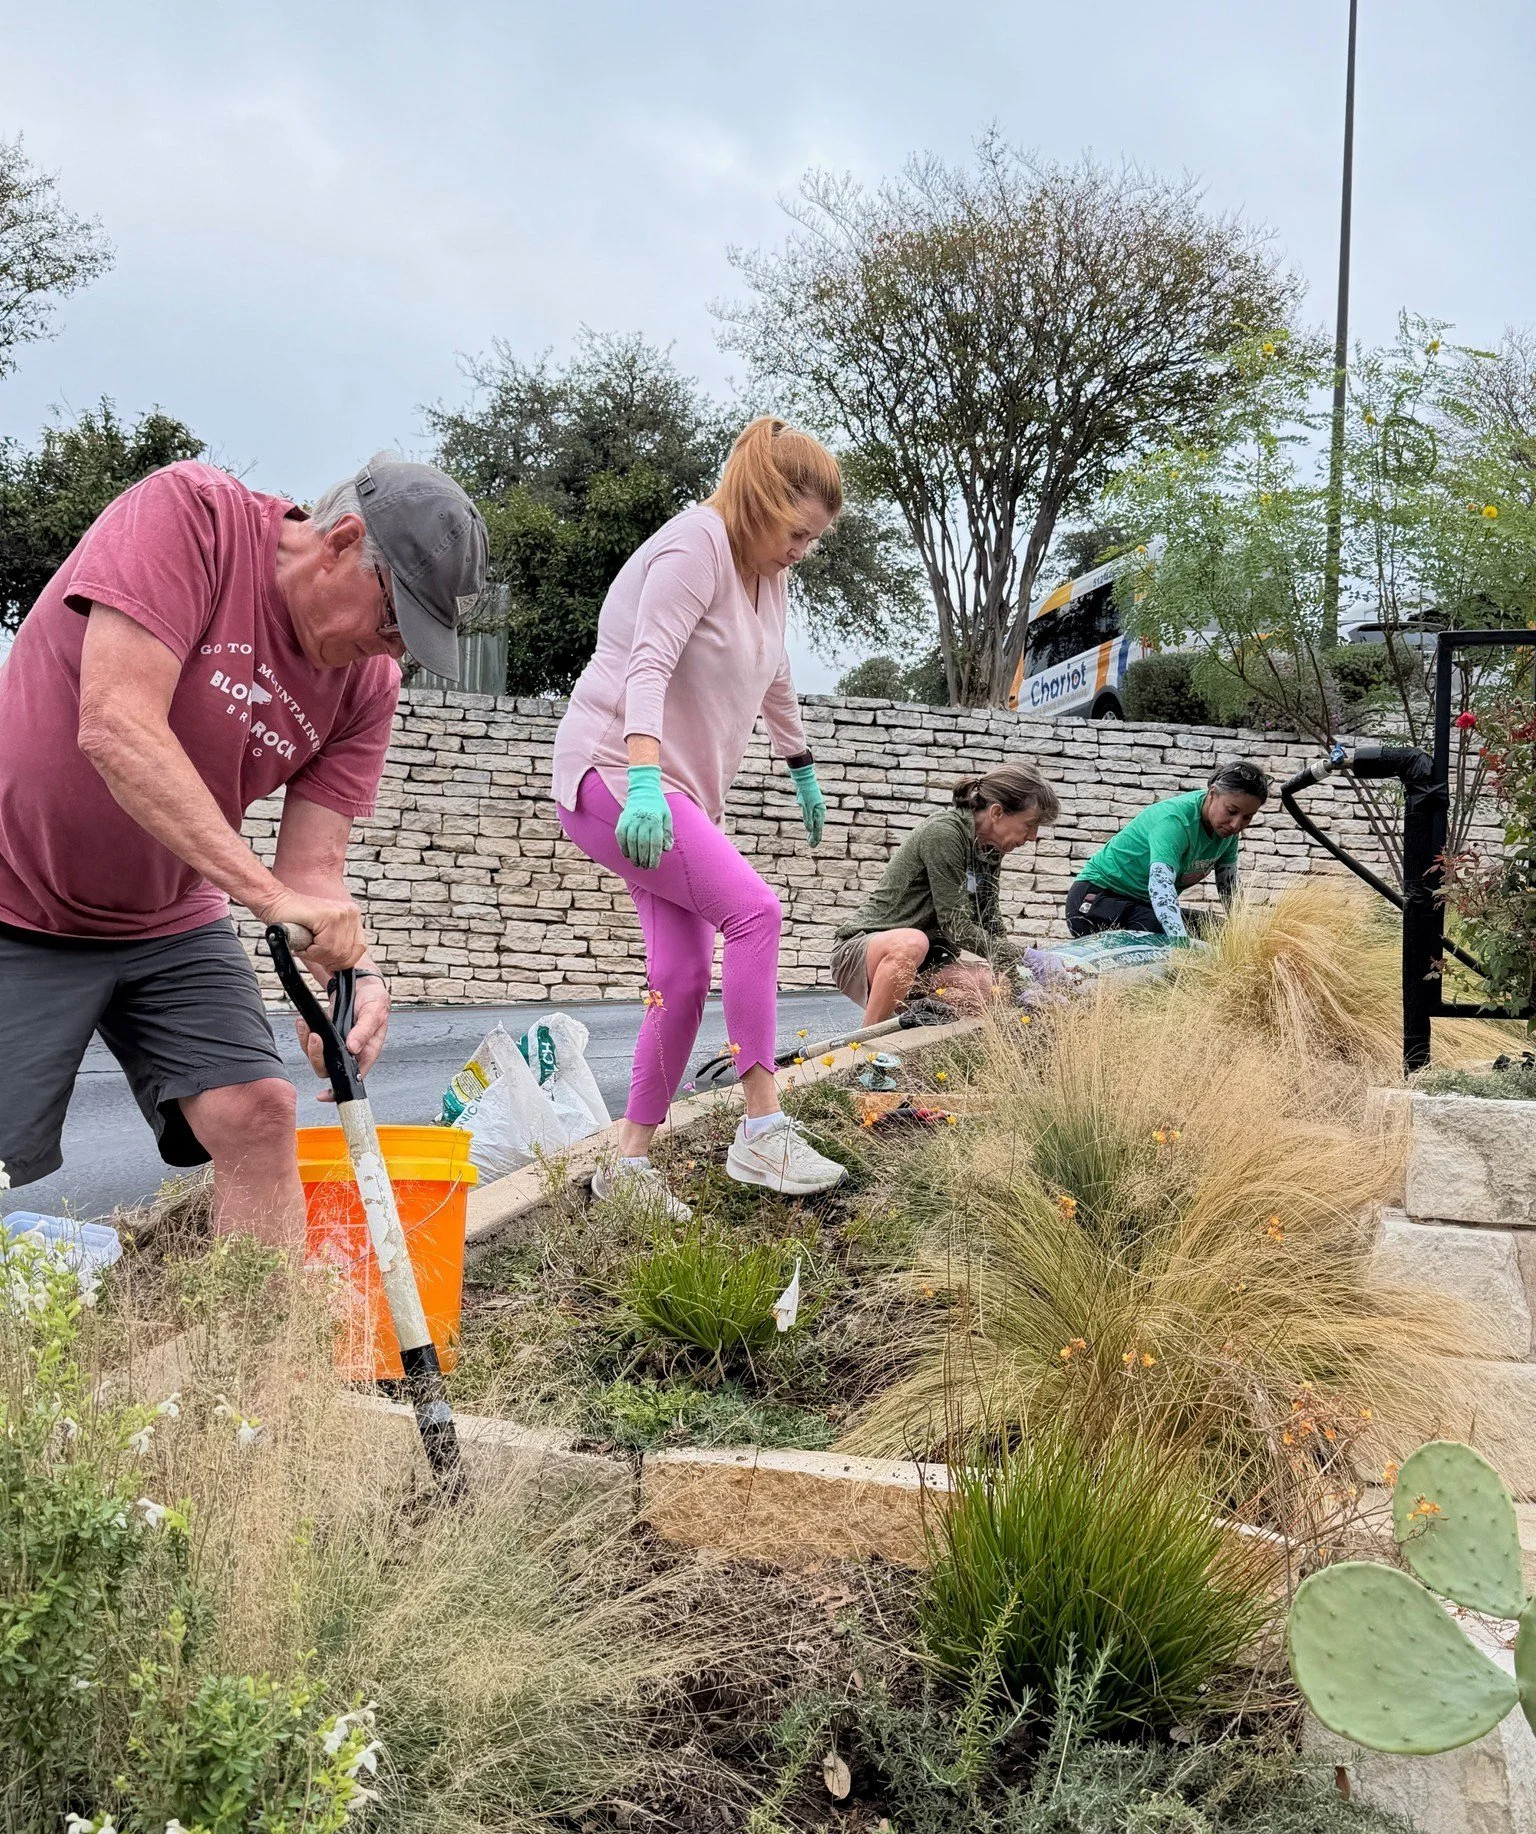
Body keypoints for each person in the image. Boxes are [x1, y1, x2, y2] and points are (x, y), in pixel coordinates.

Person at [0, 454, 488, 1251]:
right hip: (13, 895)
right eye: (393, 621)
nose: (391, 651)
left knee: (259, 1112)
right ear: (342, 543)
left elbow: (310, 874)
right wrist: (268, 898)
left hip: (166, 918)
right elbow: (116, 725)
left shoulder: (364, 685)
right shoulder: (195, 520)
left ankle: (260, 1362)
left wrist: (352, 968)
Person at [553, 416, 847, 1216]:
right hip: (615, 774)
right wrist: (644, 783)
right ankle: (762, 1131)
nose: (801, 550)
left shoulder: (768, 575)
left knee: (681, 979)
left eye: (813, 540)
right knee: (755, 912)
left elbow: (775, 673)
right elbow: (647, 662)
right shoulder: (696, 545)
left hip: (672, 789)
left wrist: (803, 768)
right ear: (762, 498)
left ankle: (628, 1172)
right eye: (797, 531)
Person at [830, 765, 1061, 1023]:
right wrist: (1025, 957)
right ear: (997, 812)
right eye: (1030, 825)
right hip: (863, 951)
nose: (1032, 837)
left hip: (928, 964)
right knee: (912, 942)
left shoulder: (990, 850)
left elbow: (991, 923)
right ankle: (867, 1047)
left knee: (996, 989)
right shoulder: (944, 833)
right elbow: (956, 926)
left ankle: (913, 1032)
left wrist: (1020, 981)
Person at [1064, 760, 1271, 941]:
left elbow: (1230, 891)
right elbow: (1161, 889)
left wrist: (1246, 938)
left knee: (1219, 931)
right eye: (1232, 811)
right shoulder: (1175, 821)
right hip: (1095, 900)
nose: (1236, 825)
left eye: (1247, 817)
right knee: (1164, 933)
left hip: (1143, 907)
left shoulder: (1228, 833)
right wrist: (1179, 945)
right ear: (1212, 794)